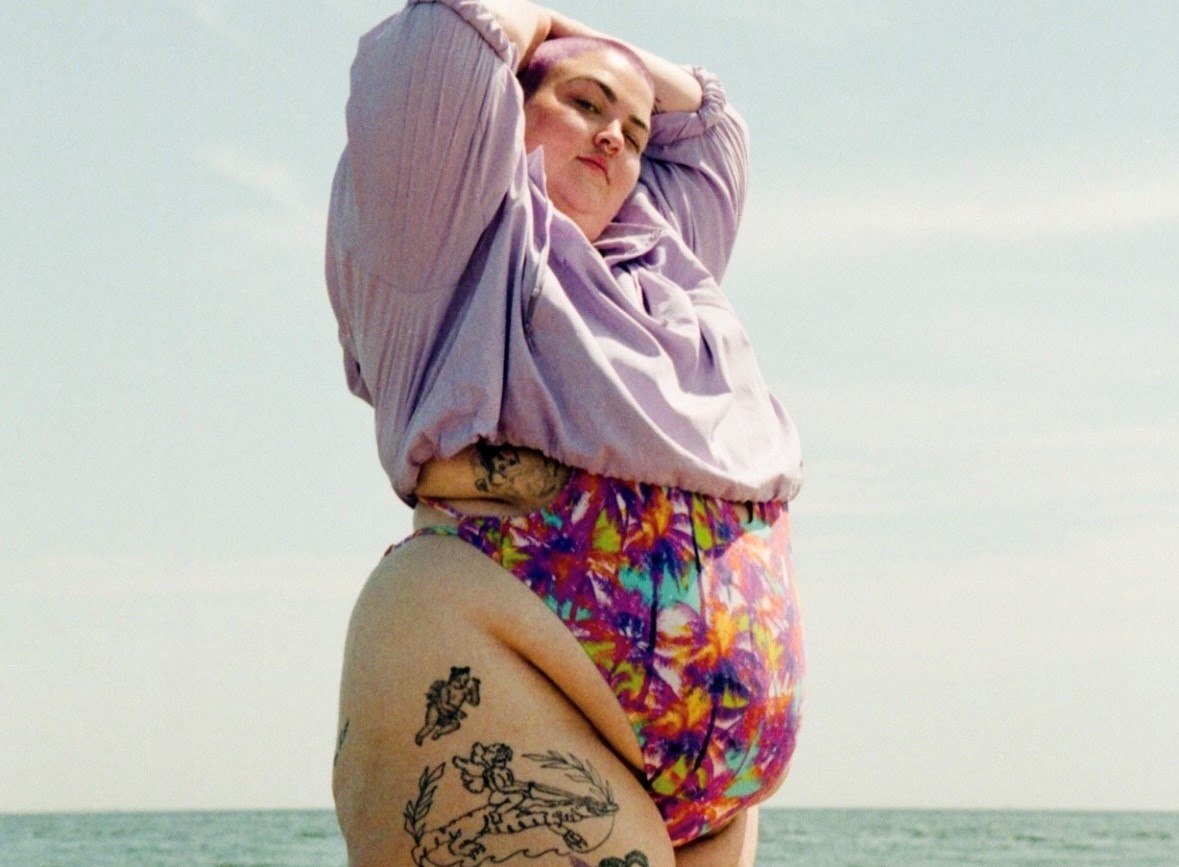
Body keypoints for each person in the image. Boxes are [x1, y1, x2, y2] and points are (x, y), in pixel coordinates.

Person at [324, 1, 805, 864]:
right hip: (505, 665)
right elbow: (443, 38)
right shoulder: (446, 248)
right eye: (584, 104)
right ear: (504, 106)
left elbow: (709, 127)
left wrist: (599, 60)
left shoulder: (660, 264)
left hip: (714, 777)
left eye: (630, 125)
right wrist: (542, 28)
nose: (616, 137)